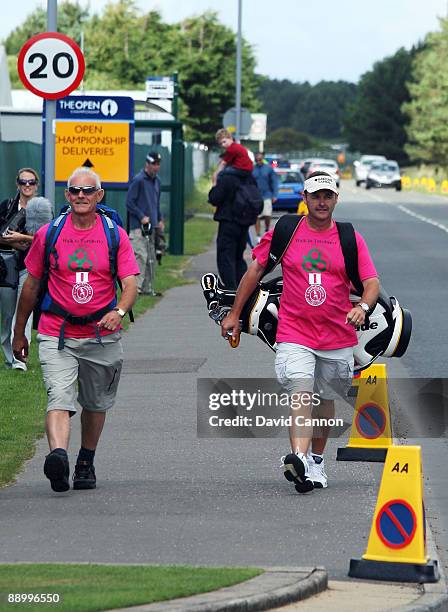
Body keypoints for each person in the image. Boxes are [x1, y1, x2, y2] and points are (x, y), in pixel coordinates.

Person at [221, 171, 379, 492]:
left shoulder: (349, 237)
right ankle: (299, 459)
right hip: (294, 331)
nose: (322, 202)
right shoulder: (286, 231)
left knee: (324, 400)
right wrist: (234, 313)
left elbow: (371, 282)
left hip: (337, 336)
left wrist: (362, 306)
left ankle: (316, 463)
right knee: (300, 389)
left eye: (328, 196)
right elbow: (256, 270)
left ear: (336, 199)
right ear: (304, 199)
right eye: (315, 196)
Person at [12, 167, 139, 493]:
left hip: (101, 334)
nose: (81, 196)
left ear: (99, 196)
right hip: (58, 333)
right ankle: (58, 457)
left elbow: (129, 283)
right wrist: (19, 331)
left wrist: (119, 311)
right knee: (60, 397)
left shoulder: (114, 233)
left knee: (96, 403)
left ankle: (86, 459)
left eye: (88, 191)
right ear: (67, 195)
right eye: (74, 191)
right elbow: (32, 286)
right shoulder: (49, 233)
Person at [0, 168, 39, 369]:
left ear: (36, 185)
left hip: (30, 267)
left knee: (25, 312)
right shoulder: (7, 206)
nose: (27, 185)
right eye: (23, 182)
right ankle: (9, 355)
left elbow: (46, 239)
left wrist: (22, 238)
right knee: (7, 314)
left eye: (31, 182)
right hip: (6, 266)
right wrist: (13, 243)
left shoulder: (42, 210)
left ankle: (20, 357)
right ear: (17, 184)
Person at [208, 157, 260, 289]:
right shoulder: (248, 177)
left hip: (228, 222)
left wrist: (215, 180)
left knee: (226, 257)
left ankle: (231, 291)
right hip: (244, 223)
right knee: (238, 257)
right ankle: (244, 289)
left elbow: (214, 198)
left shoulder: (226, 178)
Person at [126, 151, 164, 297]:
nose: (156, 167)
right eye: (154, 164)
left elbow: (156, 203)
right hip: (138, 227)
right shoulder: (139, 180)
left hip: (152, 227)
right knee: (140, 256)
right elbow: (129, 202)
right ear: (147, 164)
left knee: (150, 258)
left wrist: (159, 219)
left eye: (158, 164)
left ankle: (147, 287)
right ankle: (136, 289)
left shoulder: (157, 181)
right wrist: (141, 216)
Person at [252, 152, 278, 241]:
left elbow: (274, 182)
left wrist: (275, 195)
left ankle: (267, 229)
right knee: (257, 216)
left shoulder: (269, 169)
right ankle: (258, 235)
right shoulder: (252, 169)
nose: (258, 161)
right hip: (255, 196)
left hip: (267, 195)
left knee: (267, 214)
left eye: (260, 159)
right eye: (257, 160)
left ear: (263, 159)